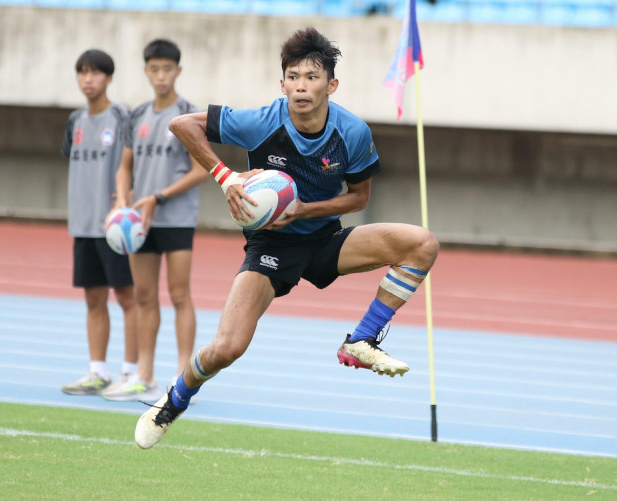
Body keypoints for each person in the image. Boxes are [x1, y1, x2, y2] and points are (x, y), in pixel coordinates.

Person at [135, 27, 439, 449]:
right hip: (270, 248)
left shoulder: (352, 132)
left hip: (324, 241)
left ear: (331, 85)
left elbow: (359, 198)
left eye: (312, 77)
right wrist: (226, 179)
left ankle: (363, 339)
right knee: (226, 348)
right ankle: (174, 400)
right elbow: (182, 124)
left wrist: (303, 210)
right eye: (293, 77)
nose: (301, 86)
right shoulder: (262, 121)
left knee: (422, 244)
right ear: (282, 85)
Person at [101, 39, 209, 403]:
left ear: (177, 71)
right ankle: (144, 375)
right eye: (154, 69)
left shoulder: (189, 114)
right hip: (138, 224)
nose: (161, 75)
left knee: (180, 295)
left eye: (167, 69)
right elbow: (124, 167)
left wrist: (159, 197)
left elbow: (201, 170)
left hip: (175, 218)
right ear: (146, 71)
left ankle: (183, 379)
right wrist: (121, 198)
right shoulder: (137, 115)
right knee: (144, 296)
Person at [60, 49, 138, 396]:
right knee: (94, 300)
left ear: (108, 77)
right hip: (83, 223)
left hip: (114, 226)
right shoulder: (75, 120)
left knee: (127, 297)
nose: (87, 79)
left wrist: (128, 195)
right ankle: (97, 371)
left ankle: (132, 371)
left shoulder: (122, 117)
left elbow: (135, 162)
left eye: (94, 73)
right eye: (82, 72)